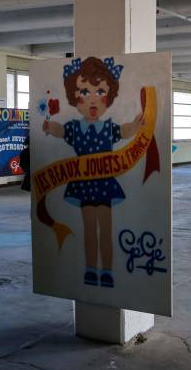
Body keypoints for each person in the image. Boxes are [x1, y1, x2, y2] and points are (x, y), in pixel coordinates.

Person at [43, 57, 143, 288]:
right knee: (90, 230)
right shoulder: (75, 129)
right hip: (84, 185)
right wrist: (48, 125)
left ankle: (106, 271)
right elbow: (60, 130)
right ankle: (90, 269)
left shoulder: (109, 129)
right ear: (75, 99)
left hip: (104, 184)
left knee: (105, 230)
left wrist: (136, 126)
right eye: (84, 93)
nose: (93, 100)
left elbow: (125, 131)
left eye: (100, 92)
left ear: (109, 98)